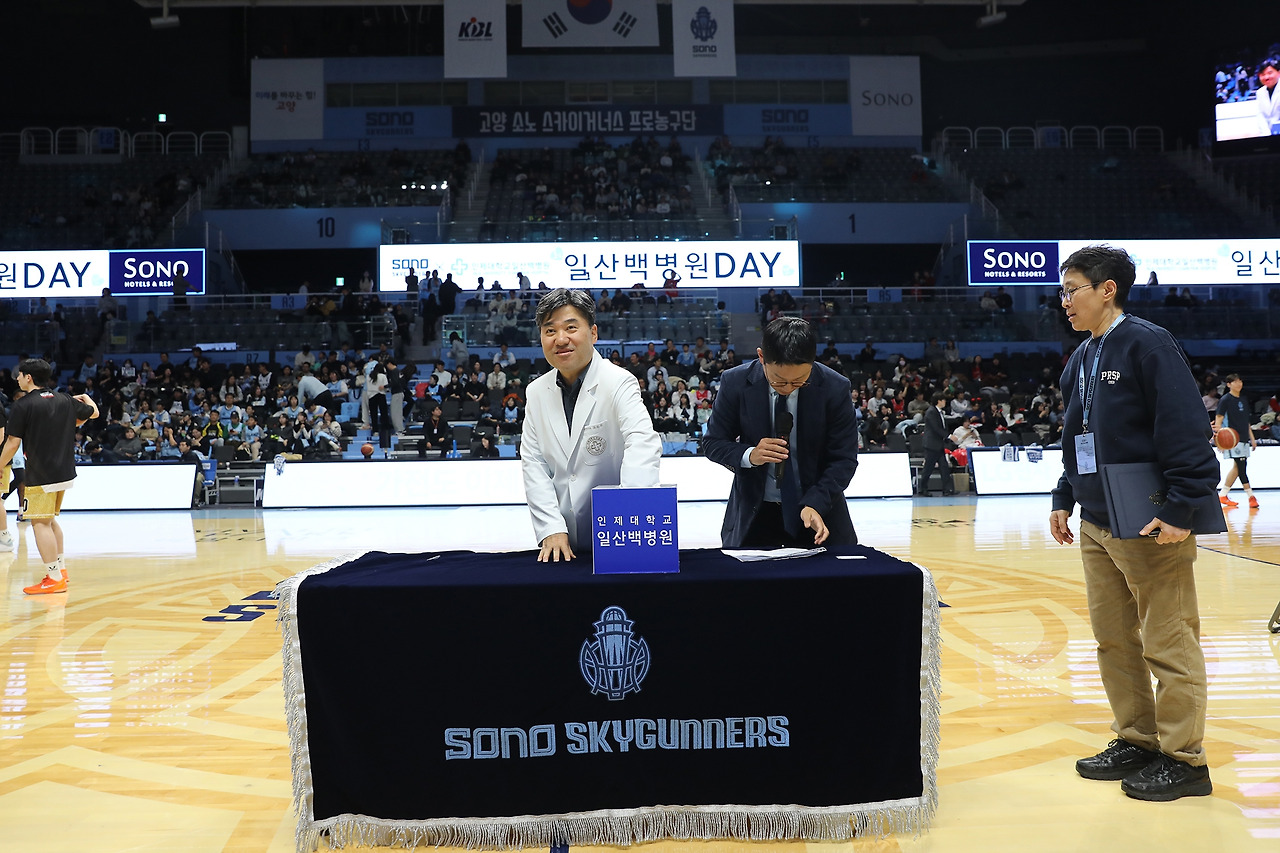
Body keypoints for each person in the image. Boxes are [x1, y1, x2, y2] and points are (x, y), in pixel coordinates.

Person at [1047, 245, 1219, 802]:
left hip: (1148, 520)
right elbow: (1079, 435)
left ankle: (1184, 758)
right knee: (1113, 640)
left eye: (1072, 289)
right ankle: (1138, 738)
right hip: (1098, 519)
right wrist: (1064, 493)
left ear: (1107, 290)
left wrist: (1182, 506)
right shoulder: (1083, 355)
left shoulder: (1148, 342)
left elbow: (1185, 425)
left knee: (1168, 641)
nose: (1064, 300)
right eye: (1063, 291)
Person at [520, 288, 662, 562]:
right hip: (563, 544)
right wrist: (551, 527)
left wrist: (630, 516)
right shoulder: (536, 391)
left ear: (593, 333)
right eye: (550, 331)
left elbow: (642, 444)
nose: (561, 339)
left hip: (619, 538)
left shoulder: (618, 381)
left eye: (571, 328)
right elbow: (533, 463)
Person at [702, 317, 858, 549]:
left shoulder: (835, 387)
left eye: (799, 382)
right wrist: (750, 455)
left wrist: (816, 503)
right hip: (754, 517)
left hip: (817, 514)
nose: (787, 389)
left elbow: (844, 459)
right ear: (761, 357)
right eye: (778, 381)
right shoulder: (734, 382)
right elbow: (713, 443)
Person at [0, 359, 98, 595]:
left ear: (29, 378)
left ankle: (53, 577)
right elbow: (93, 413)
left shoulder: (23, 405)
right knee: (50, 520)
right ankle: (61, 571)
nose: (17, 378)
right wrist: (85, 397)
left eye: (20, 375)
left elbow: (12, 443)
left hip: (41, 473)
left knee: (39, 522)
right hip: (64, 471)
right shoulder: (64, 399)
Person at [1214, 374, 1259, 508]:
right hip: (1232, 439)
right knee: (1241, 467)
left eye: (1240, 381)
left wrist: (1252, 438)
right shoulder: (1225, 399)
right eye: (1235, 382)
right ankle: (1251, 496)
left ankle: (1223, 495)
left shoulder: (1244, 399)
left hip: (1244, 438)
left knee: (1236, 468)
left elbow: (1246, 421)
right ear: (1228, 384)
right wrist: (1218, 439)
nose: (1238, 383)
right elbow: (1219, 419)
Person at [918, 391, 955, 496]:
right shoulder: (931, 412)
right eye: (944, 400)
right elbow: (936, 428)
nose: (945, 402)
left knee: (944, 467)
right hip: (931, 445)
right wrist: (948, 436)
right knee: (928, 468)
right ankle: (922, 489)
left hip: (938, 445)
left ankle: (947, 489)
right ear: (939, 401)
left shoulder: (939, 412)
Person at [1254, 56, 1280, 137]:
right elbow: (1260, 115)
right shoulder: (1260, 92)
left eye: (1270, 73)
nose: (1266, 77)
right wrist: (1266, 134)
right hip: (1268, 136)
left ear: (1278, 72)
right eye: (1263, 74)